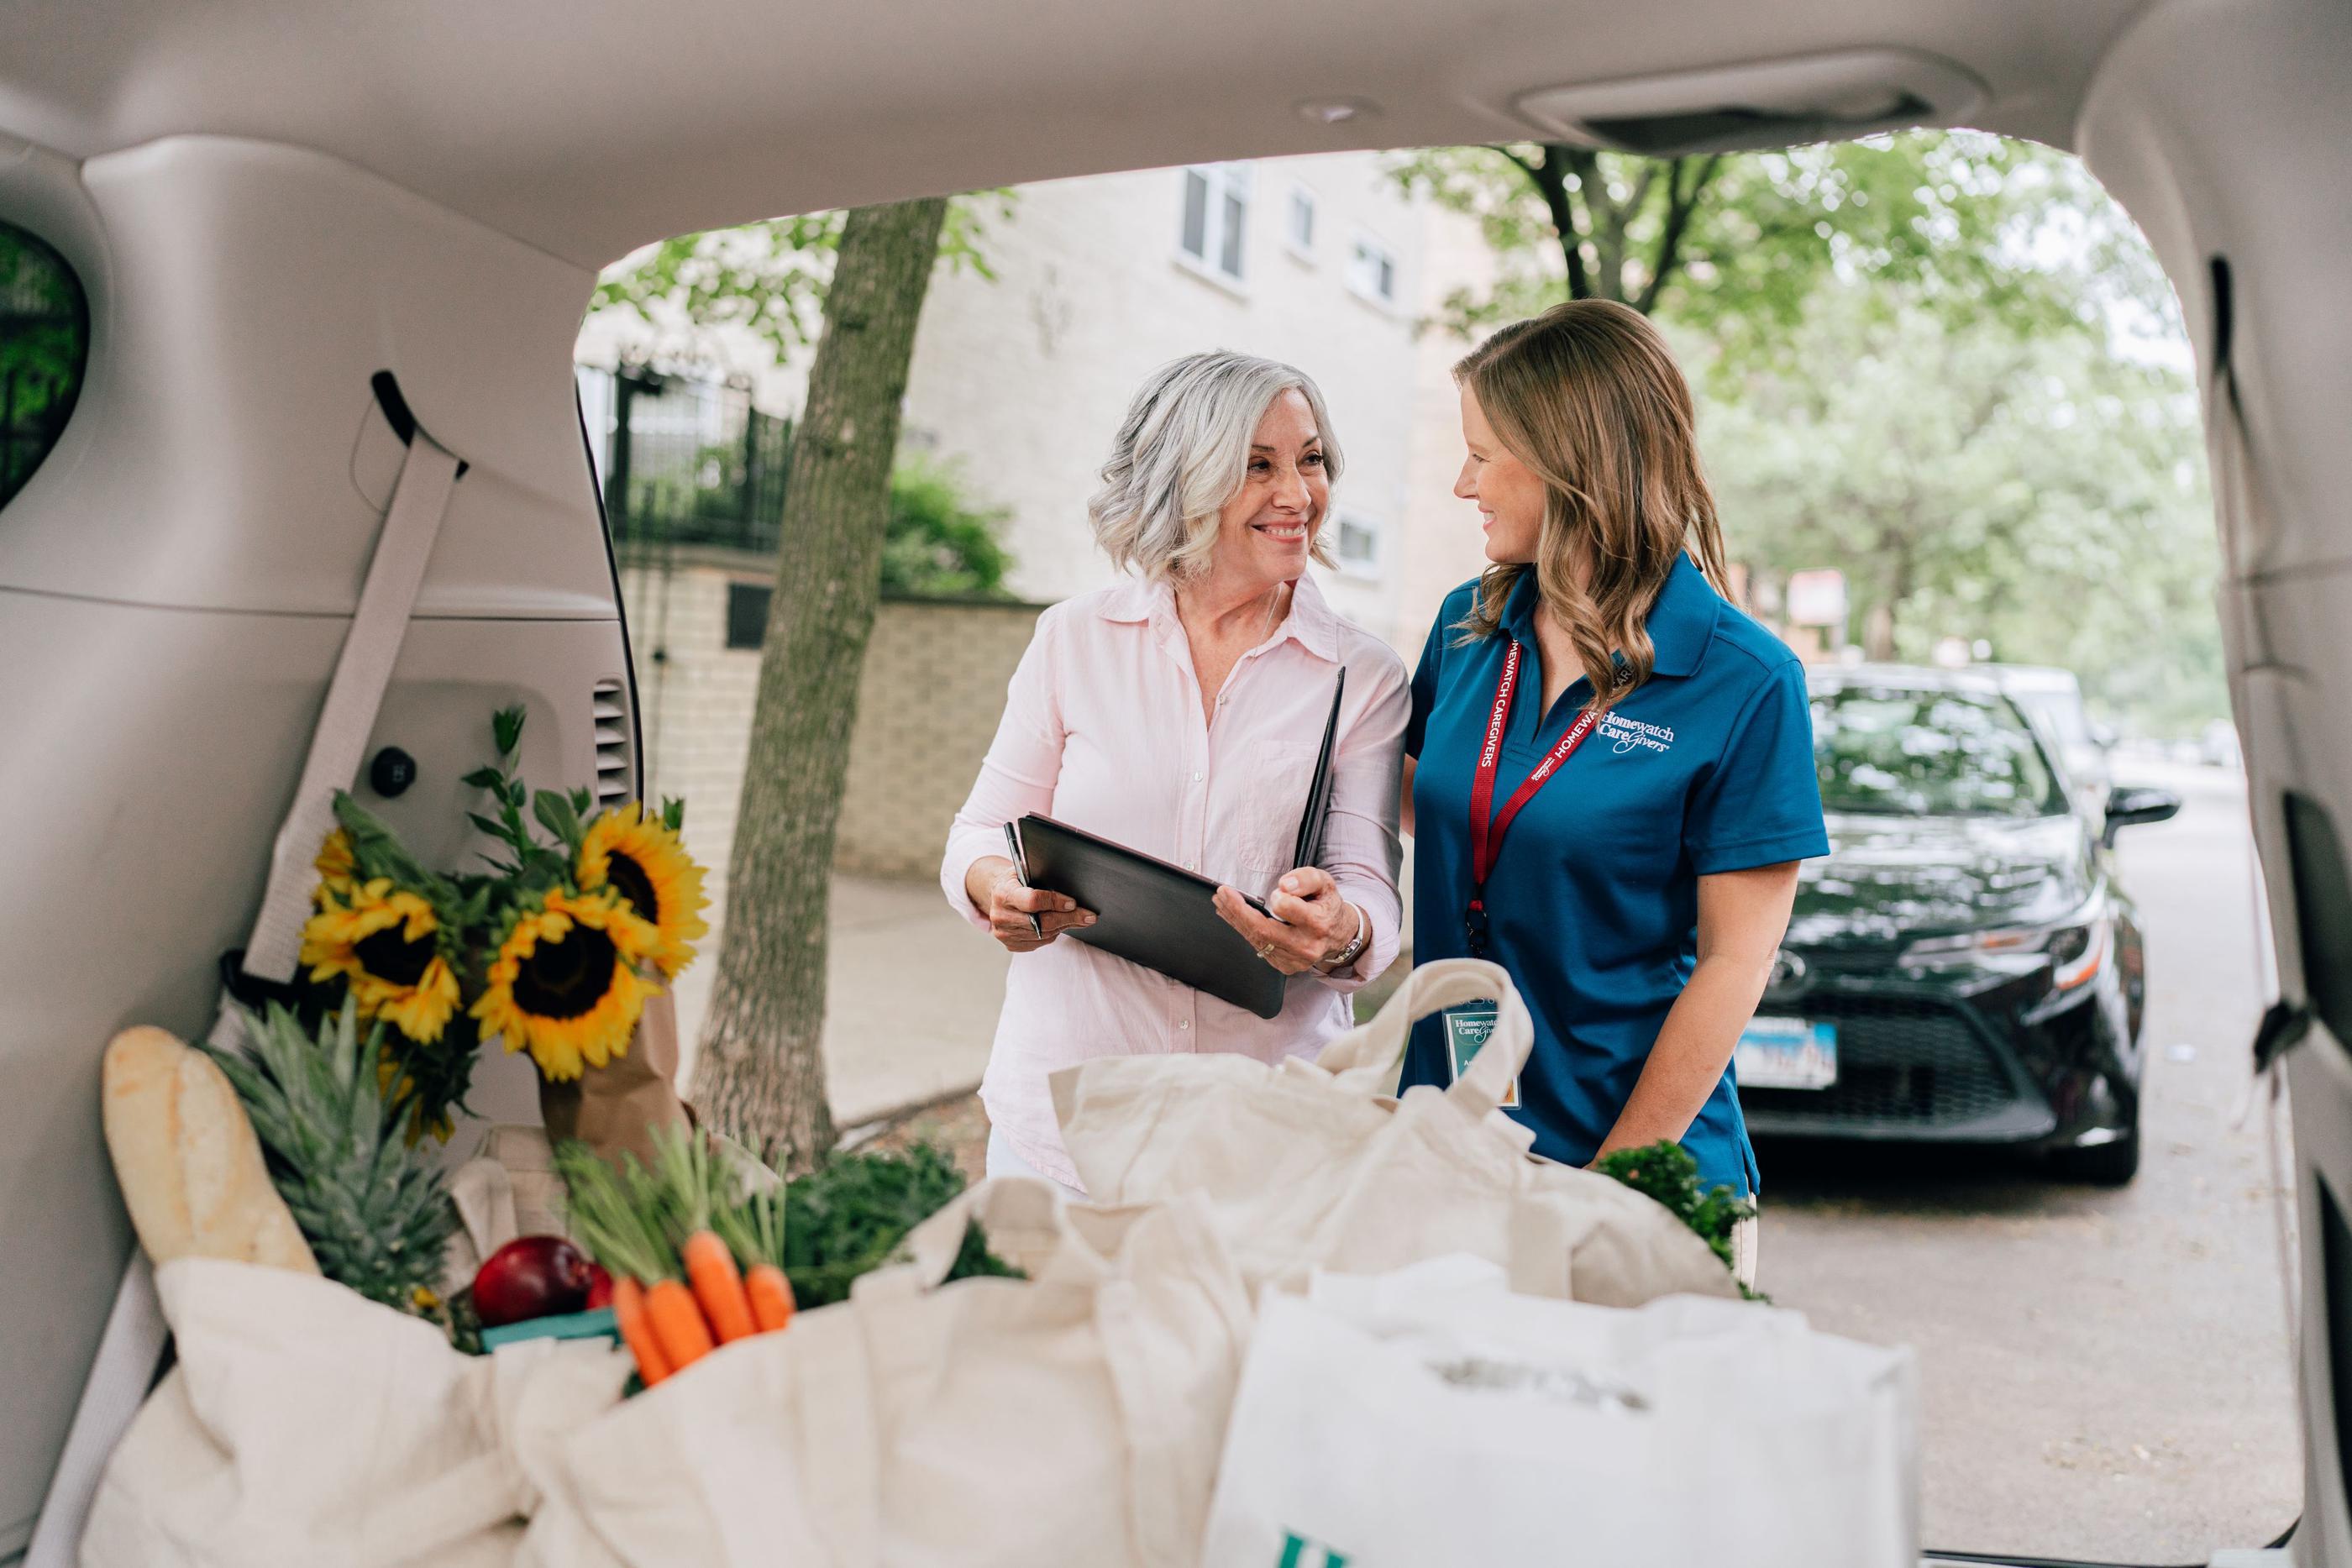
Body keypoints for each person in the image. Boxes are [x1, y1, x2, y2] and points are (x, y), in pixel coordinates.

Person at [1399, 301, 1828, 1286]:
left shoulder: (1745, 678)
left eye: (1482, 455)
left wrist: (1614, 1186)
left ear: (1568, 462)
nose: (1460, 483)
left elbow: (1734, 961)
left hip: (1631, 1171)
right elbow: (1423, 806)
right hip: (1443, 1153)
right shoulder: (1466, 626)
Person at [942, 350, 1410, 1194]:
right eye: (1257, 466)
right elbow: (982, 828)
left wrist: (1341, 928)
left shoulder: (1360, 675)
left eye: (1310, 460)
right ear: (1181, 480)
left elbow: (1368, 882)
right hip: (1065, 1123)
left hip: (1266, 1138)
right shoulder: (1073, 640)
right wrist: (993, 888)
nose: (1298, 494)